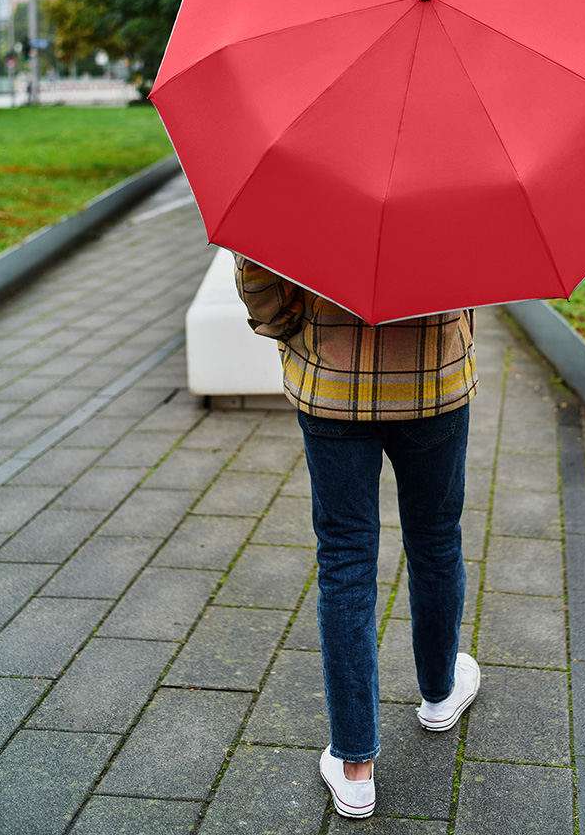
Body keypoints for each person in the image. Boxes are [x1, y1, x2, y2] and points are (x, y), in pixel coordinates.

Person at [235, 255, 481, 819]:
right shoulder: (459, 168)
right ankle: (440, 693)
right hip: (433, 380)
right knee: (436, 536)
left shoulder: (300, 171)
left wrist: (290, 324)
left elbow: (260, 282)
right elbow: (480, 269)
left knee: (345, 559)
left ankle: (355, 768)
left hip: (332, 383)